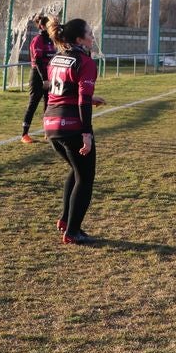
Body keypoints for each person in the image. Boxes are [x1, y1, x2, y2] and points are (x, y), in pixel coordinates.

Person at [43, 19, 105, 245]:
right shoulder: (85, 61)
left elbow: (54, 90)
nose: (92, 36)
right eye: (89, 33)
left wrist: (89, 99)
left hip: (51, 123)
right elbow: (81, 100)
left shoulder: (56, 58)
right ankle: (72, 232)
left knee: (76, 170)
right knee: (86, 178)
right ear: (79, 39)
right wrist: (86, 133)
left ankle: (65, 220)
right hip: (72, 126)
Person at [21, 14, 57, 143]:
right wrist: (44, 79)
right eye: (49, 25)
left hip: (49, 75)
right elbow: (38, 60)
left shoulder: (51, 40)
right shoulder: (37, 40)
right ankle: (24, 134)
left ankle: (48, 131)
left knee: (49, 104)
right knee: (33, 103)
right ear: (42, 26)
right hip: (38, 75)